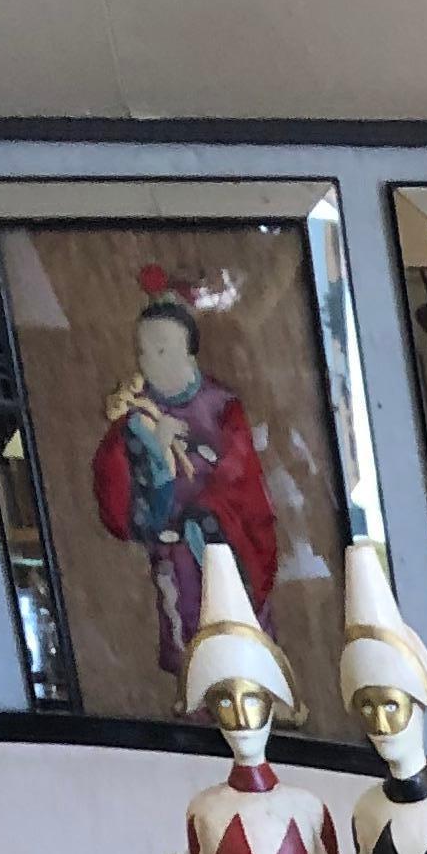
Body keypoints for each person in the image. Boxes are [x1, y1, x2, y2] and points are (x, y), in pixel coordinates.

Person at [89, 277, 279, 677]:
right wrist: (151, 448)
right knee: (189, 641)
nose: (151, 361)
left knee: (240, 639)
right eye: (144, 352)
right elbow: (118, 488)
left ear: (190, 353)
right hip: (173, 555)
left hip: (223, 544)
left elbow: (239, 473)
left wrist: (202, 505)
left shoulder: (221, 406)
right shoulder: (136, 416)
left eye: (163, 350)